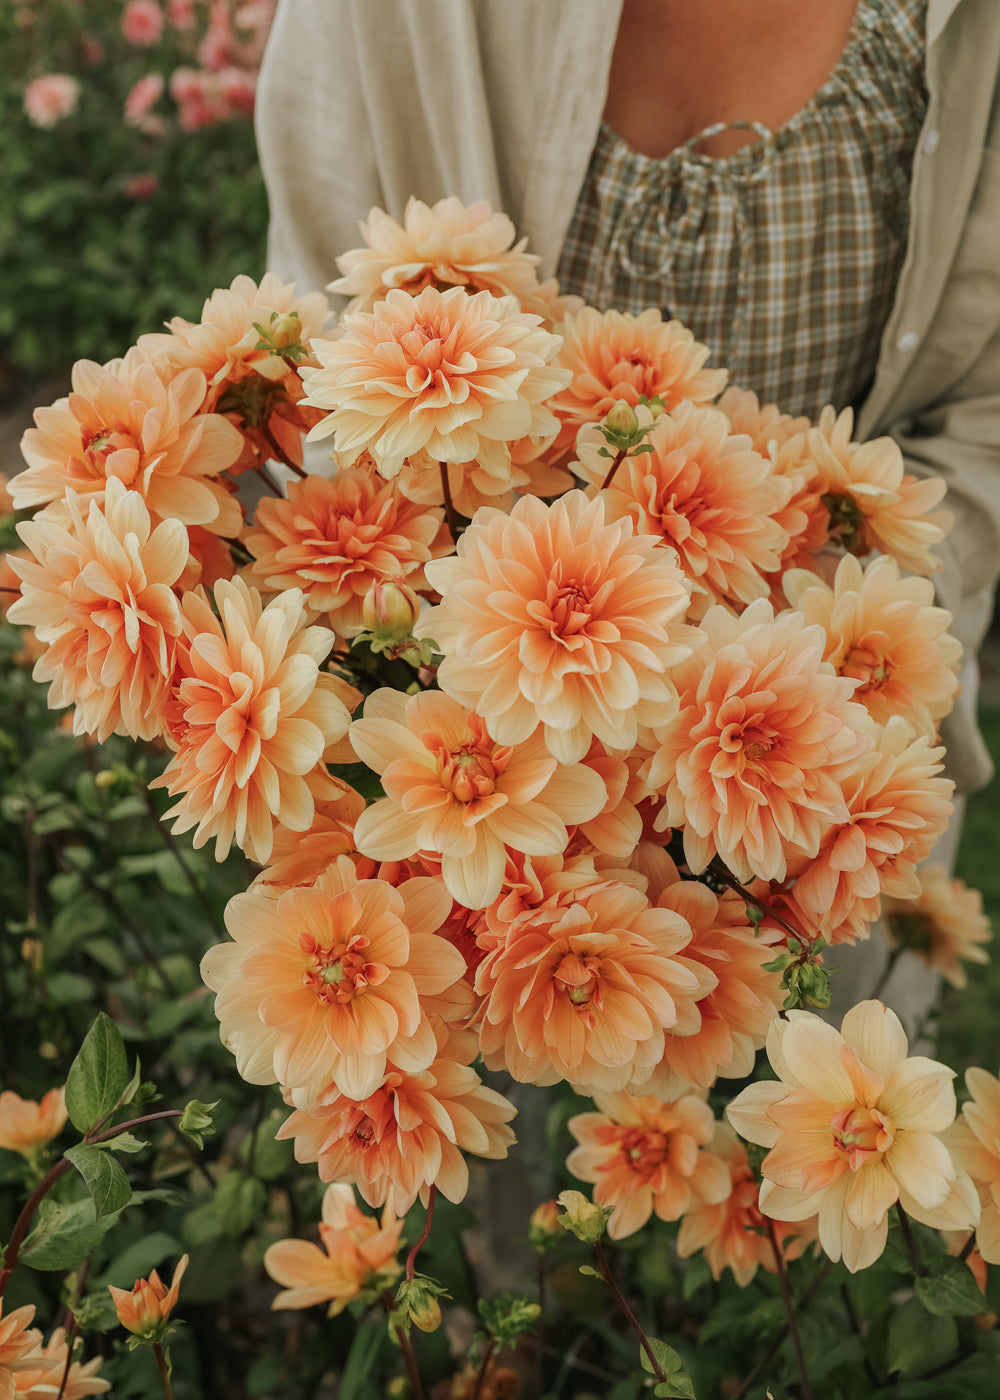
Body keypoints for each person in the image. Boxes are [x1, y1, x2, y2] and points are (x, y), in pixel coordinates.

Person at [254, 0, 1000, 1002]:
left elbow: (987, 418)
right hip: (467, 853)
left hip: (823, 797)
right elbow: (322, 354)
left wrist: (835, 652)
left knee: (809, 1066)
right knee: (474, 1050)